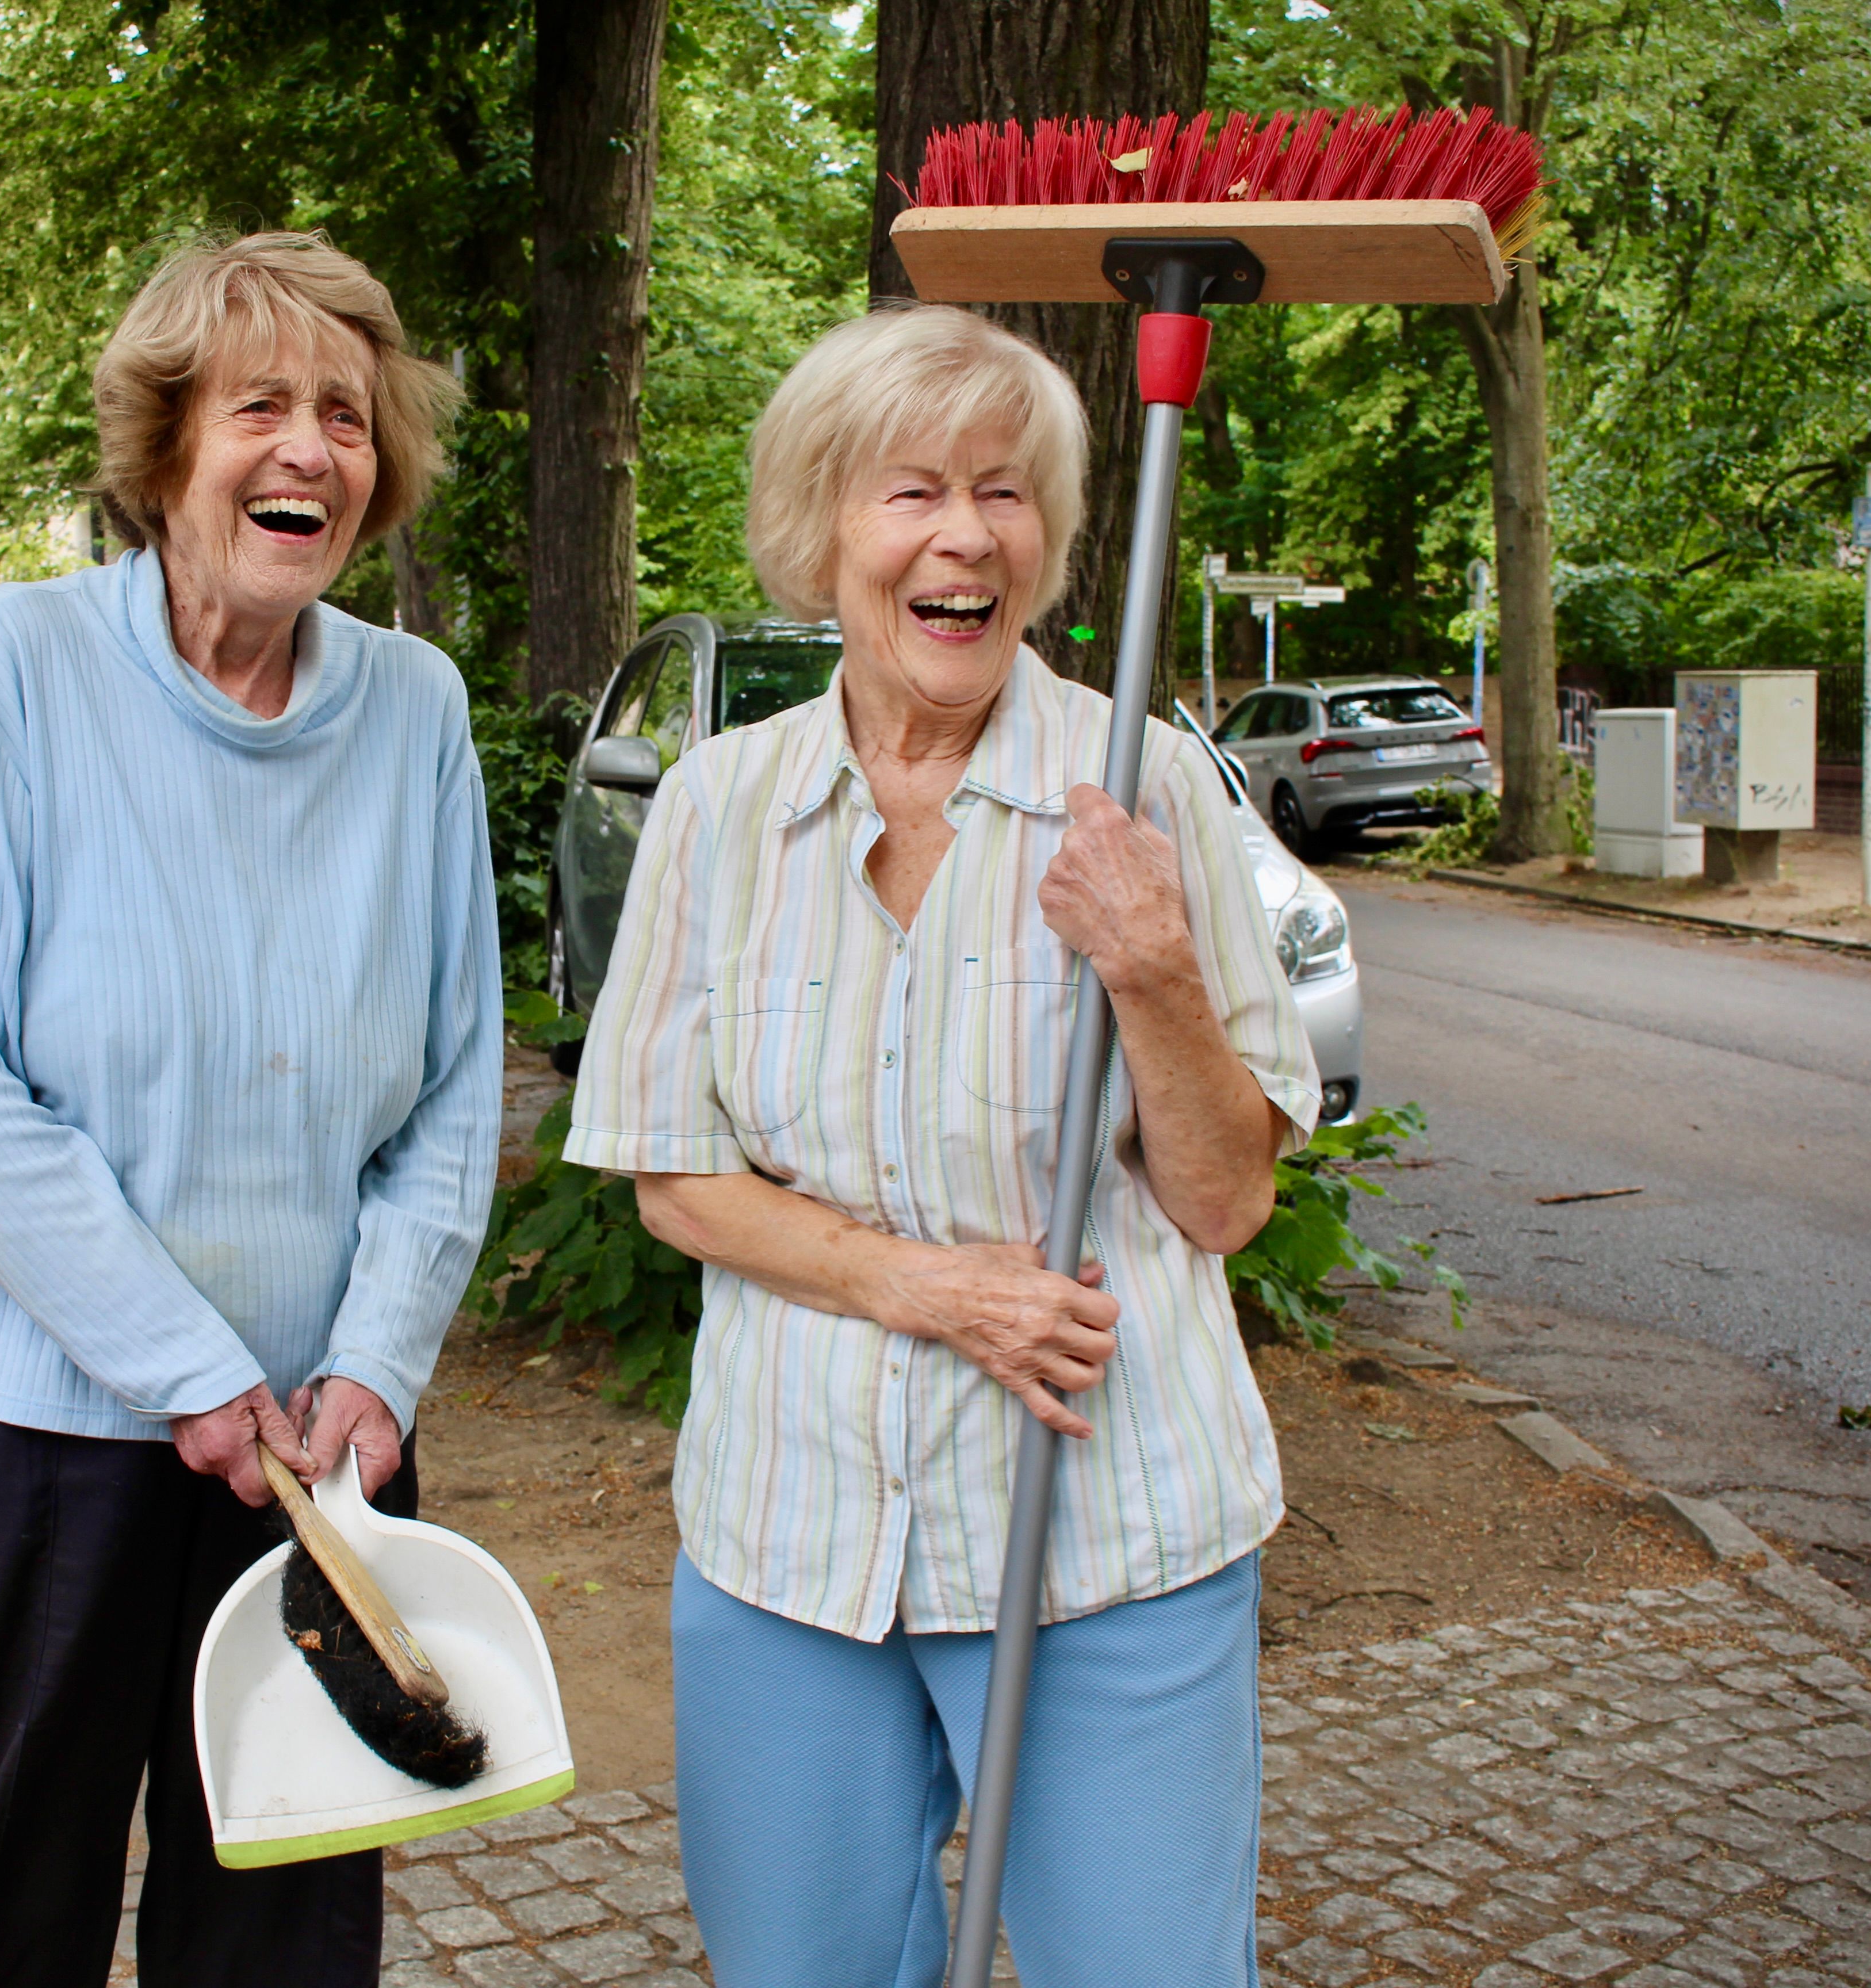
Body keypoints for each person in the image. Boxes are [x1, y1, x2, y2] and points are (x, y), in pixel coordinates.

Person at [563, 304, 1318, 1988]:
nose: (964, 535)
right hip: (789, 1546)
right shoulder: (719, 805)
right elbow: (672, 1173)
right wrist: (928, 1289)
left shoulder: (1144, 796)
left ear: (1046, 546)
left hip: (1102, 1547)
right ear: (822, 531)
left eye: (1004, 493)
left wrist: (1154, 966)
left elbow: (1225, 1199)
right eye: (911, 492)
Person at [0, 232, 498, 1987]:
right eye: (262, 407)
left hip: (319, 1442)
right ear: (165, 449)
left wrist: (376, 1366)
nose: (311, 450)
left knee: (285, 1926)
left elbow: (453, 1084)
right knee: (13, 1916)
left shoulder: (415, 710)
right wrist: (186, 1370)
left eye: (348, 418)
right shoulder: (15, 665)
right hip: (23, 1432)